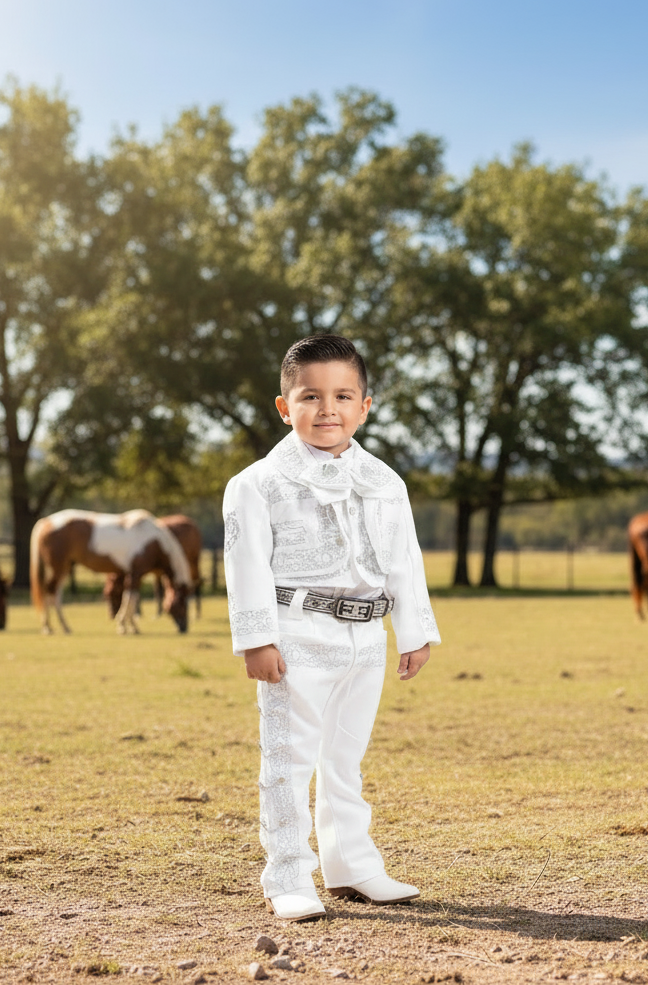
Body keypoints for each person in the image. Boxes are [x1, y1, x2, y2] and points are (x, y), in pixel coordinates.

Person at [222, 333, 441, 922]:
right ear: (283, 406)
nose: (327, 409)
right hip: (296, 635)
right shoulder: (256, 484)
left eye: (343, 396)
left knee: (346, 758)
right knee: (289, 758)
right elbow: (244, 566)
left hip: (365, 637)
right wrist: (256, 639)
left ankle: (352, 865)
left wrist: (413, 631)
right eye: (310, 396)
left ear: (365, 405)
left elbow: (406, 560)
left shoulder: (385, 482)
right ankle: (288, 874)